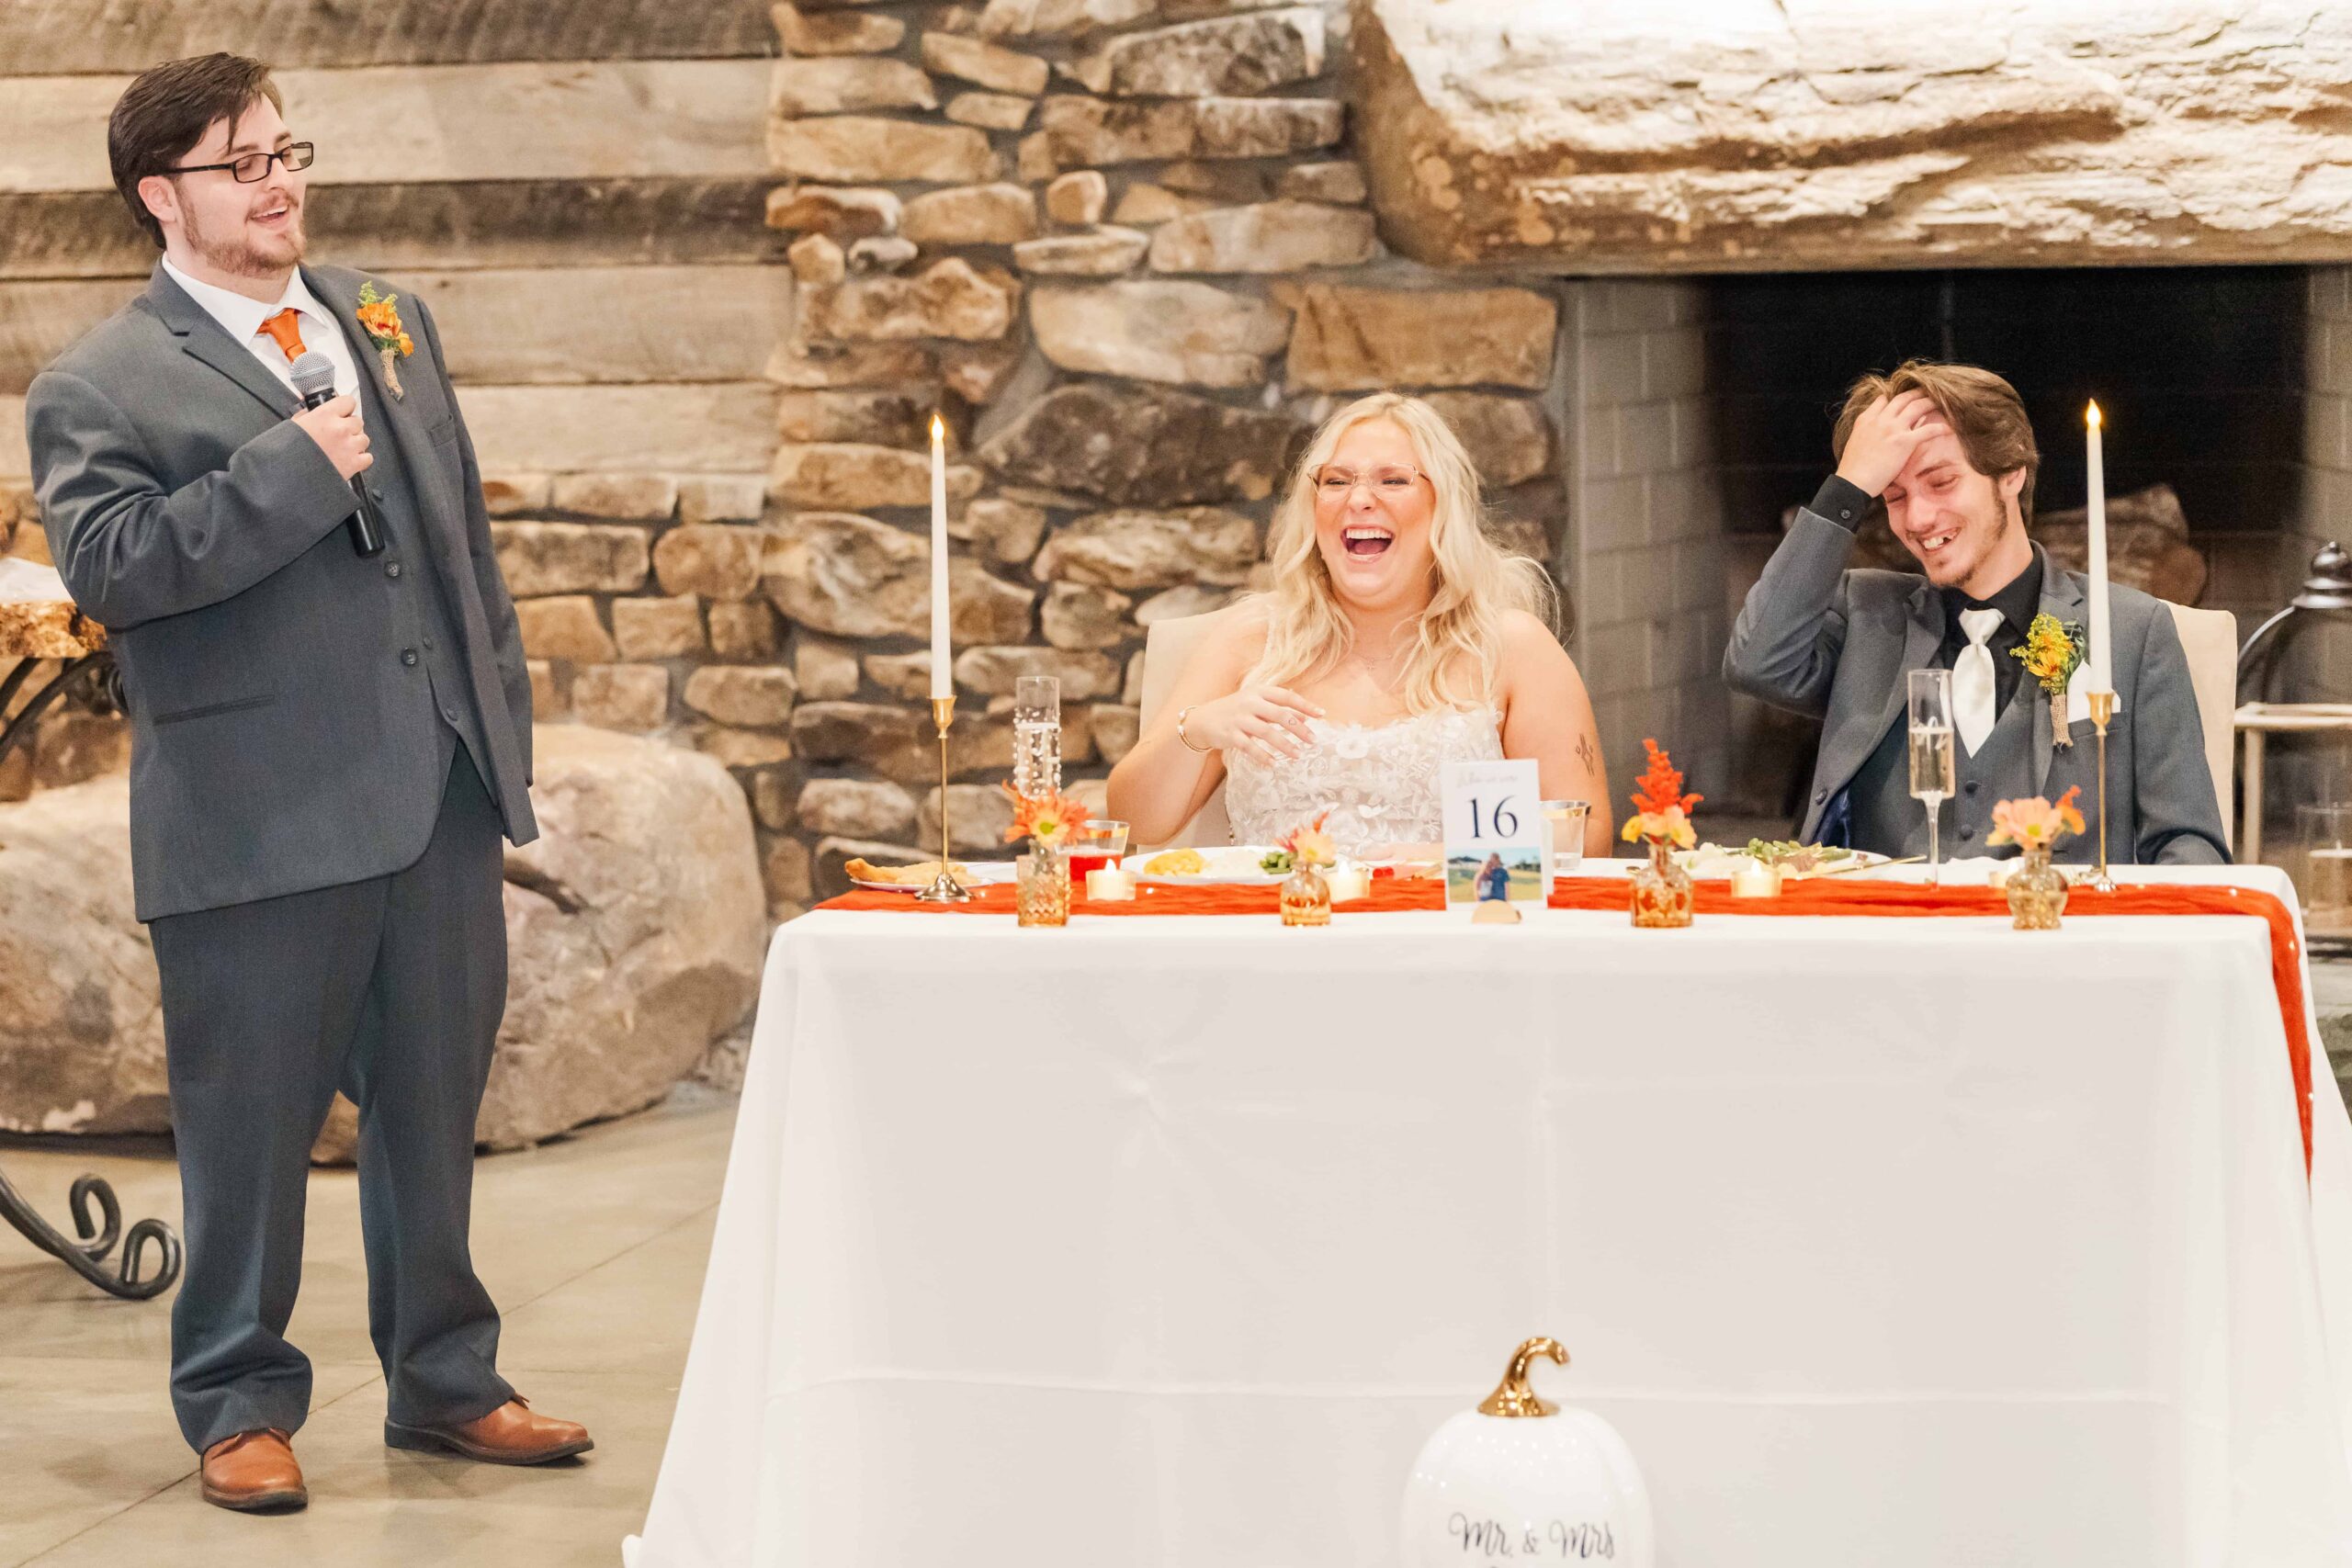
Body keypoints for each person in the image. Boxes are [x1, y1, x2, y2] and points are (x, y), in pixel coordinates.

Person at [25, 54, 589, 1513]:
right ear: (162, 195)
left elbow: (458, 540)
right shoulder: (98, 380)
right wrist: (291, 469)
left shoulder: (381, 316)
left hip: (437, 797)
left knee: (429, 1114)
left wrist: (498, 743)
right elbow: (117, 572)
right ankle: (236, 1396)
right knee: (249, 1130)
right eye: (243, 162)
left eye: (288, 151)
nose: (282, 181)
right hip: (257, 812)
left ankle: (447, 1376)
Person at [1724, 360, 2226, 863]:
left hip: (2056, 932)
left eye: (1941, 482)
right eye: (1894, 496)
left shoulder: (2132, 632)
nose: (1918, 518)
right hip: (1887, 934)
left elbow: (2189, 844)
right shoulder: (1863, 616)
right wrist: (1848, 486)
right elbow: (1756, 662)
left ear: (2011, 474)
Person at [1108, 393, 1612, 857]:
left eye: (1393, 480)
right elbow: (1133, 823)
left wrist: (1444, 860)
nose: (1359, 499)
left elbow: (1585, 841)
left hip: (1450, 937)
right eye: (1336, 481)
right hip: (1280, 936)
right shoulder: (1251, 639)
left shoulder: (1512, 647)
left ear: (1444, 506)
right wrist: (1197, 730)